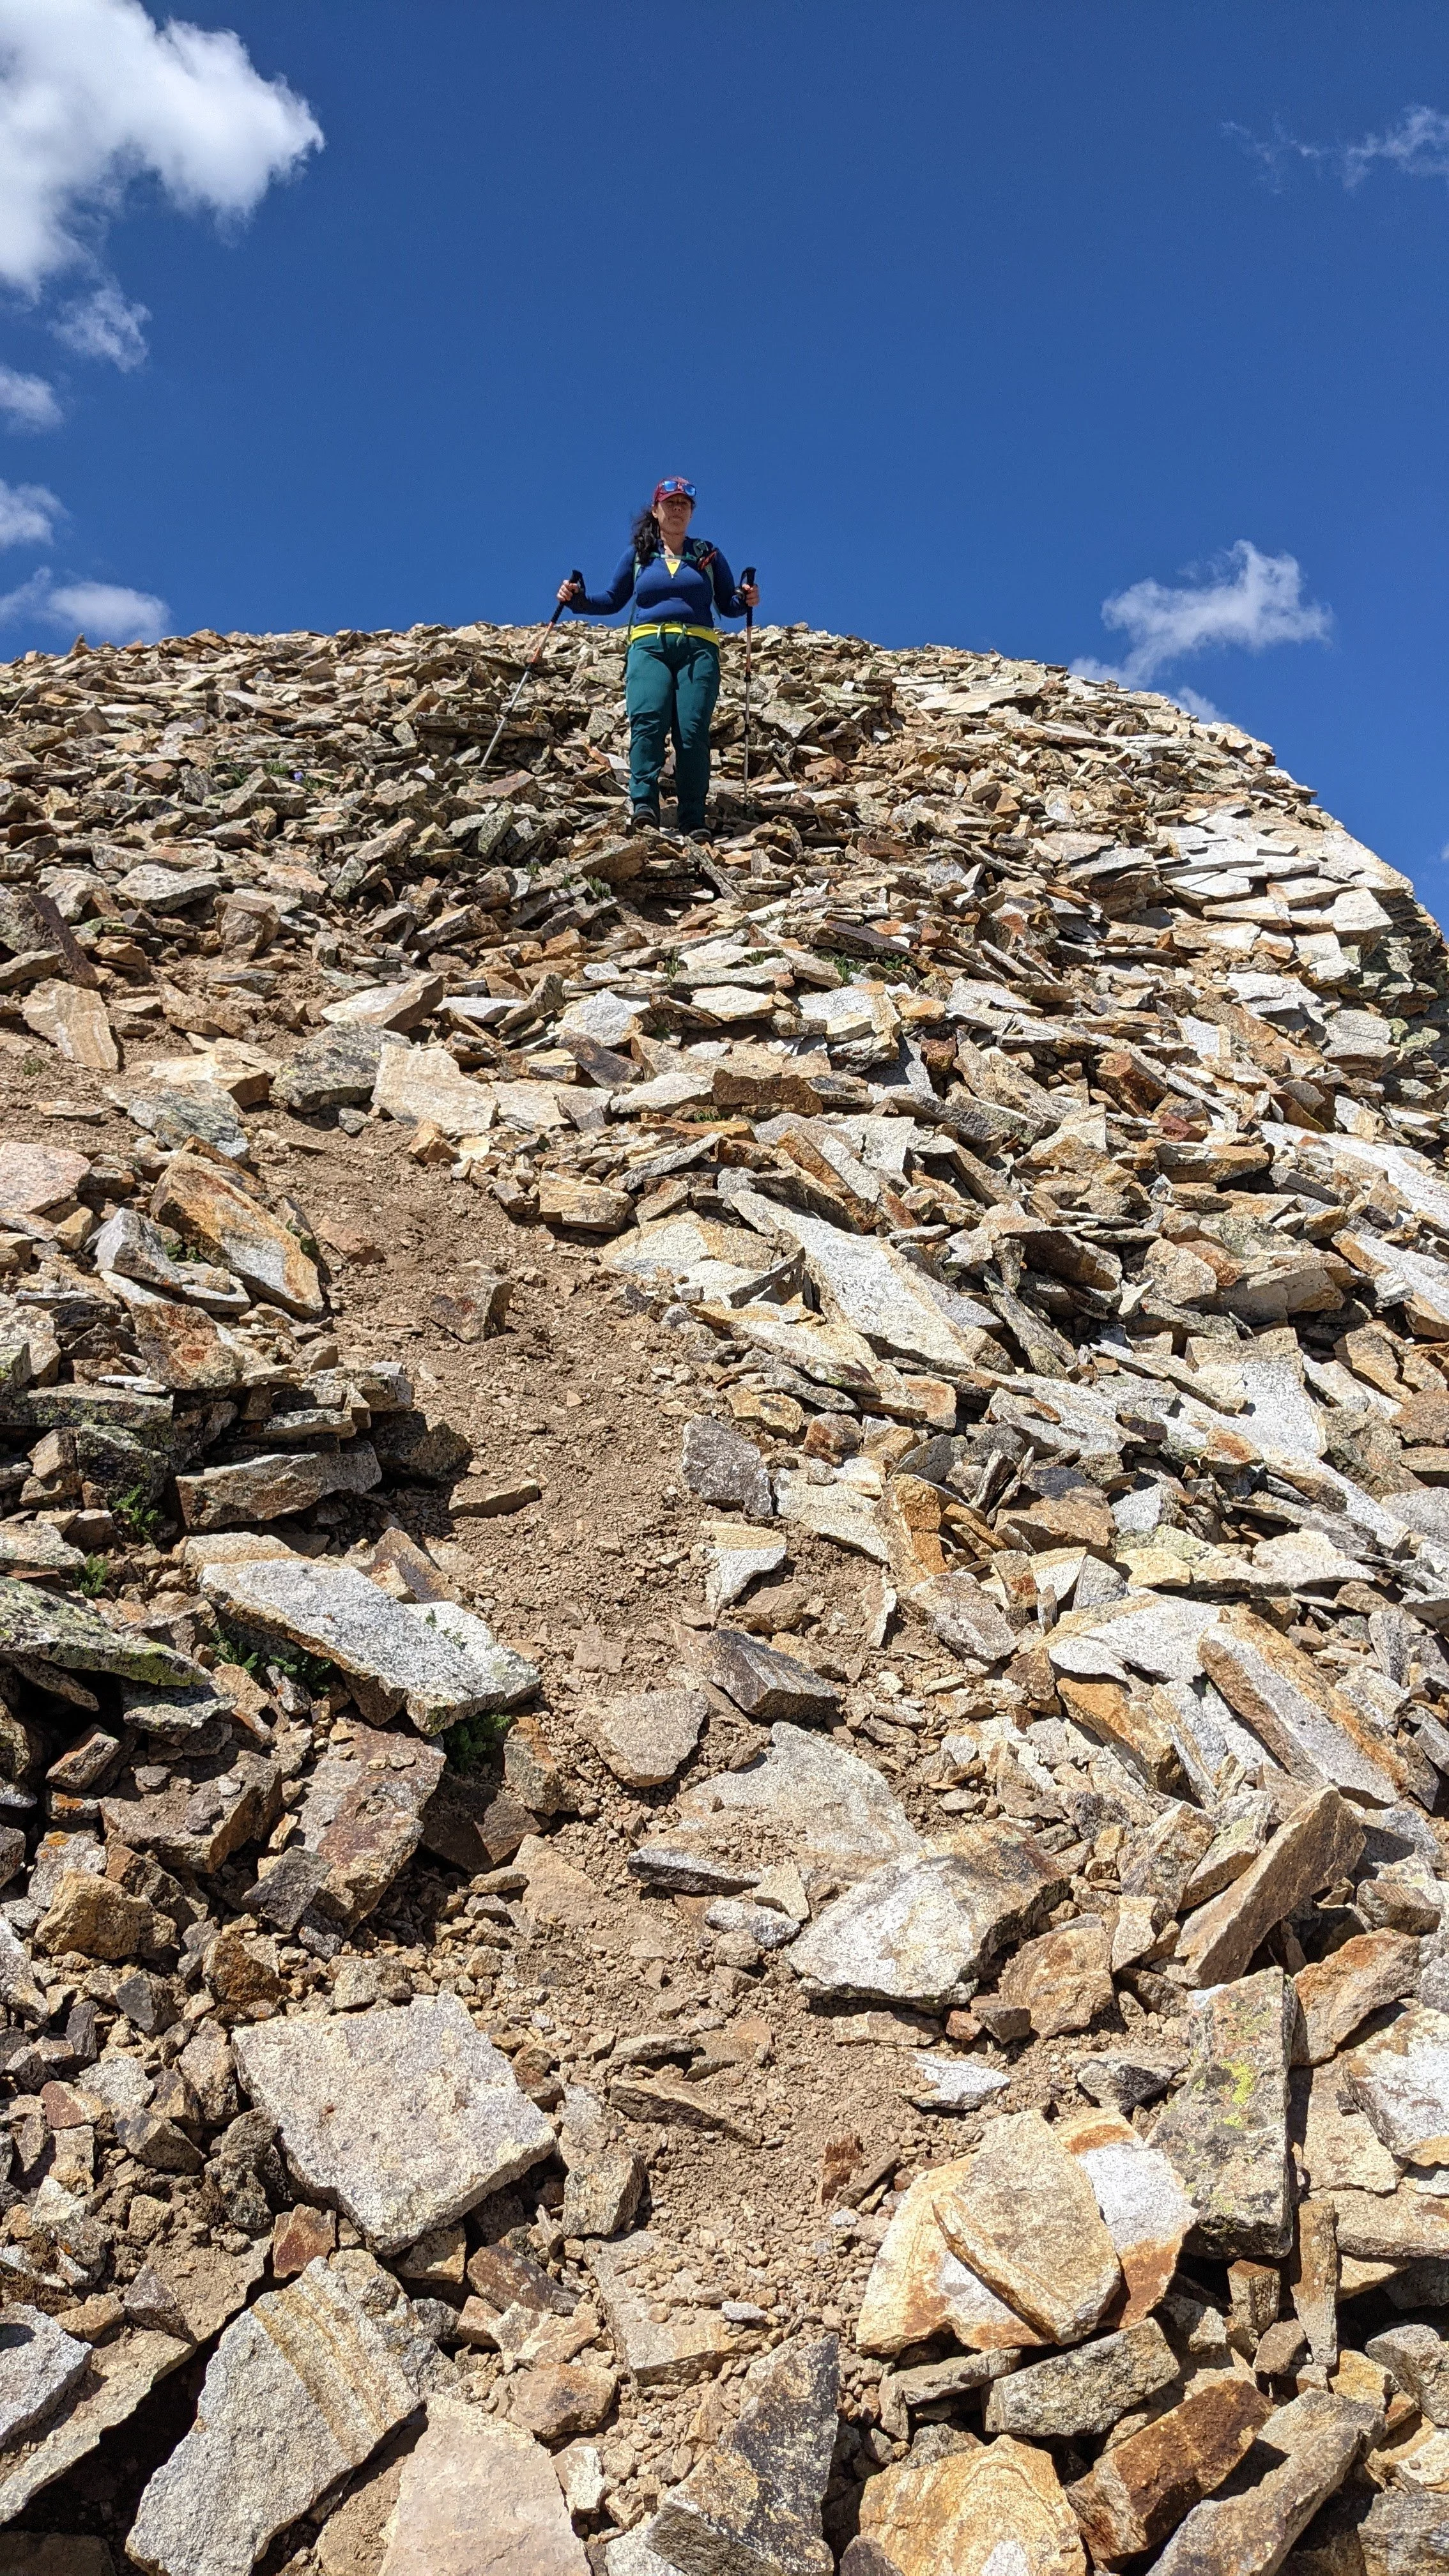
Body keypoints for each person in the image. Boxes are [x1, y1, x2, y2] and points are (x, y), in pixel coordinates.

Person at [558, 479, 758, 839]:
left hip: (698, 647)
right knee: (648, 720)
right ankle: (644, 804)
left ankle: (692, 817)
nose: (677, 508)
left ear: (692, 512)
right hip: (648, 645)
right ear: (656, 510)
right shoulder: (639, 554)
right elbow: (612, 599)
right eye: (670, 502)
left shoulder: (707, 554)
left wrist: (746, 598)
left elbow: (728, 606)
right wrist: (578, 600)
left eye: (684, 503)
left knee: (693, 731)